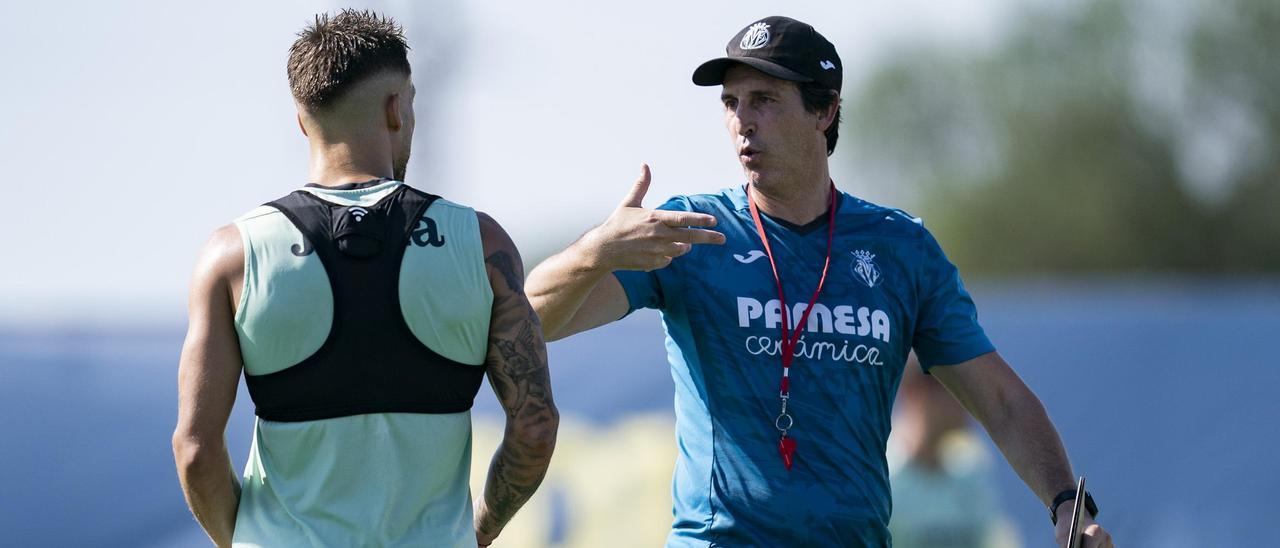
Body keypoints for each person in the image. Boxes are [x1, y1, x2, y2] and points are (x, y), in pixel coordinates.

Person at [526, 15, 1112, 548]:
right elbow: (530, 320)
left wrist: (1066, 504)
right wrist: (594, 250)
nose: (741, 123)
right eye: (731, 103)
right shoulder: (691, 233)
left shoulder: (901, 248)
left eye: (764, 100)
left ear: (824, 110)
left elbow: (1002, 401)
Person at [172, 10, 558, 547]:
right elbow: (534, 431)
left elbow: (195, 451)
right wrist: (474, 534)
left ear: (302, 120)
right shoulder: (481, 244)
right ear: (397, 109)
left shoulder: (231, 256)